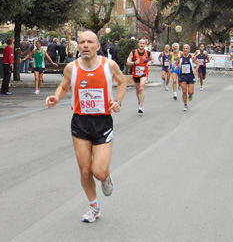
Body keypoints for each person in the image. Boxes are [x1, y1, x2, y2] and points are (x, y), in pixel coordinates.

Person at [45, 30, 127, 223]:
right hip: (80, 122)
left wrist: (118, 102)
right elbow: (64, 86)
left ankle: (106, 177)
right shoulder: (71, 68)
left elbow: (123, 82)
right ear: (78, 46)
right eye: (82, 42)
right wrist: (56, 97)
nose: (85, 45)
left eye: (90, 42)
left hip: (103, 122)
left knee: (98, 171)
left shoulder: (109, 65)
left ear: (98, 46)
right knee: (84, 170)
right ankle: (93, 206)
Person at [126, 38, 152, 114]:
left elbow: (152, 59)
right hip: (136, 73)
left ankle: (141, 106)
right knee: (137, 90)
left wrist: (150, 62)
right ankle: (139, 101)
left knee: (141, 87)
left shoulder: (148, 53)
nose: (142, 45)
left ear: (145, 45)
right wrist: (134, 63)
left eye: (143, 43)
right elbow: (127, 62)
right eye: (140, 43)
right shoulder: (133, 52)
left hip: (144, 72)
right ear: (138, 44)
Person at [177, 44, 199, 111]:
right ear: (182, 49)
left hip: (190, 76)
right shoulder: (179, 57)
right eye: (184, 48)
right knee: (184, 91)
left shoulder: (192, 57)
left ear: (189, 49)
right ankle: (185, 105)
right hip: (183, 76)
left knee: (190, 92)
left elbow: (198, 64)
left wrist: (195, 70)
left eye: (186, 48)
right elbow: (176, 63)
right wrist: (176, 66)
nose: (185, 49)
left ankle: (190, 95)